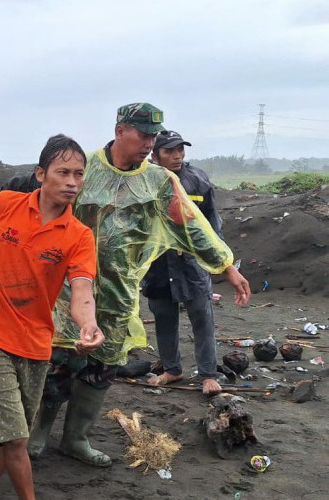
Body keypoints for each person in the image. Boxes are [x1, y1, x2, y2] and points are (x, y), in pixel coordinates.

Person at [28, 103, 250, 467]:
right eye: (143, 135)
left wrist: (226, 267)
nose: (150, 143)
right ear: (120, 131)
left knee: (102, 367)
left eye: (153, 136)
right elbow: (47, 208)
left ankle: (76, 439)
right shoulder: (86, 170)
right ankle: (38, 433)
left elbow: (191, 225)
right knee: (59, 363)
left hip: (118, 291)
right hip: (67, 287)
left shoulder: (159, 181)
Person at [0, 134, 104, 500]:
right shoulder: (5, 205)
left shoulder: (79, 236)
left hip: (36, 344)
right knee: (17, 437)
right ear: (41, 174)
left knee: (8, 432)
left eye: (79, 174)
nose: (72, 182)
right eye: (63, 172)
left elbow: (82, 289)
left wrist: (88, 324)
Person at [143, 130, 224, 395]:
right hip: (158, 263)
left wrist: (218, 258)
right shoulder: (144, 181)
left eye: (180, 149)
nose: (177, 155)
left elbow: (212, 222)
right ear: (155, 155)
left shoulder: (197, 180)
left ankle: (208, 375)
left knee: (202, 317)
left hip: (192, 263)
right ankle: (172, 369)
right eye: (169, 151)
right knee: (164, 317)